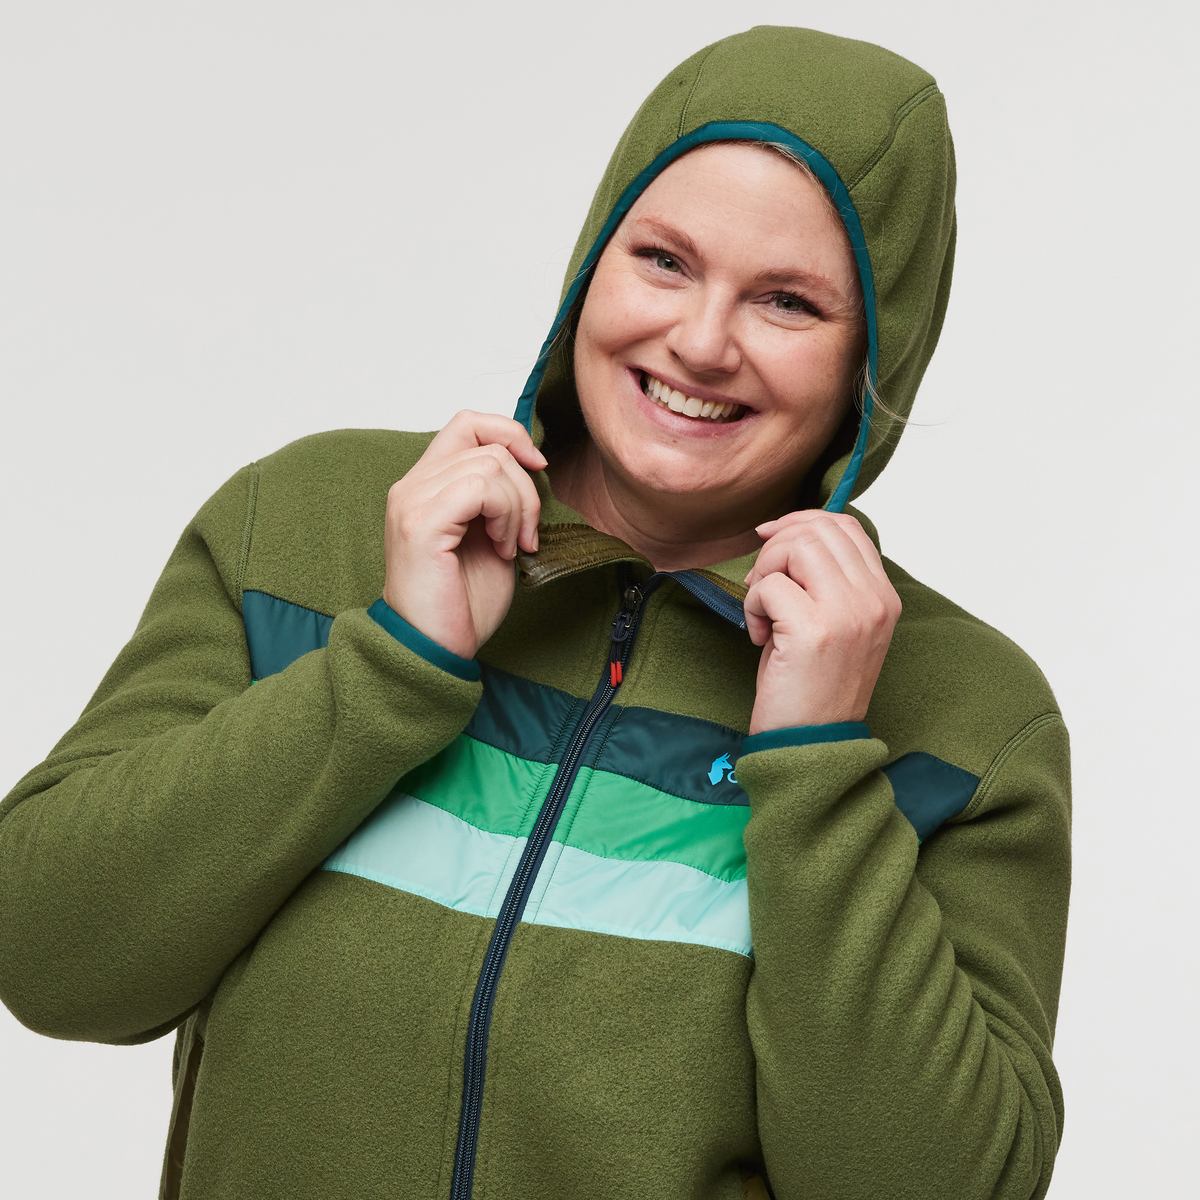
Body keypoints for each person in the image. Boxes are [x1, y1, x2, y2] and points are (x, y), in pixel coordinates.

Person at [0, 24, 1070, 1200]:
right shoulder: (303, 533)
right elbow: (47, 955)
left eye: (787, 302)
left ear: (877, 358)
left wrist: (816, 764)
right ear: (592, 263)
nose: (700, 343)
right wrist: (391, 667)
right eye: (663, 261)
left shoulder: (965, 720)